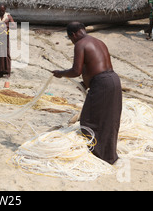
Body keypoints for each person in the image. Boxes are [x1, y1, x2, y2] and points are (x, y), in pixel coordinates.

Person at [51, 22, 122, 165]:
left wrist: (61, 73)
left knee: (88, 120)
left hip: (102, 83)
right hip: (113, 80)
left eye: (70, 39)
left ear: (73, 34)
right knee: (109, 119)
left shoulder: (80, 44)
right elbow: (93, 66)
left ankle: (98, 155)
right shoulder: (98, 42)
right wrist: (86, 83)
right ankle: (109, 155)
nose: (72, 42)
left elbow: (76, 71)